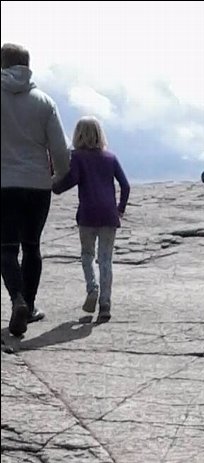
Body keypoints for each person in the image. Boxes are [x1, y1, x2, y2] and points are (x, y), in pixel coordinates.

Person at [1, 42, 70, 337]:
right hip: (37, 184)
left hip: (4, 184)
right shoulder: (44, 101)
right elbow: (60, 150)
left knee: (5, 248)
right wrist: (58, 177)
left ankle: (17, 298)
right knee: (31, 247)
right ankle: (28, 307)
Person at [52, 117, 129, 323]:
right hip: (109, 215)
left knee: (87, 255)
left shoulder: (77, 157)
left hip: (87, 215)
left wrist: (55, 187)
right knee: (106, 260)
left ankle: (92, 288)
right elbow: (125, 185)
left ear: (78, 135)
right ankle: (105, 305)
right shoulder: (110, 158)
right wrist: (120, 208)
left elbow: (73, 179)